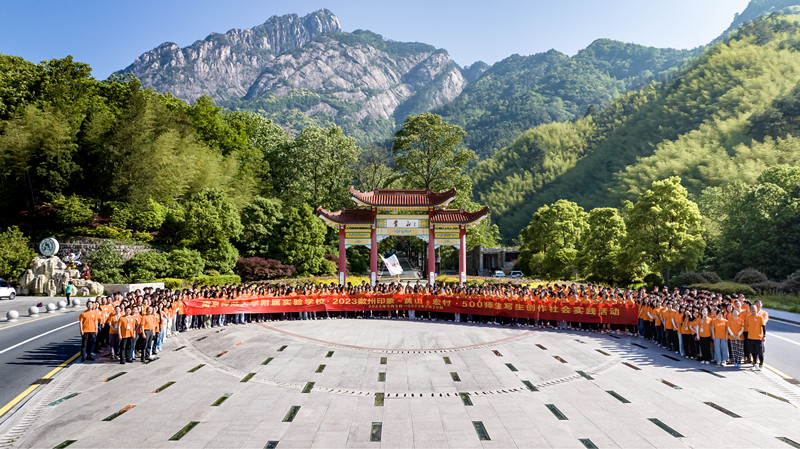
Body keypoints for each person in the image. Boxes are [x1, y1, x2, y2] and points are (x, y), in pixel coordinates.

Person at [744, 304, 767, 370]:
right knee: (753, 351)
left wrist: (764, 336)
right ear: (750, 310)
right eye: (751, 309)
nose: (753, 310)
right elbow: (748, 326)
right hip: (751, 337)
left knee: (760, 352)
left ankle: (761, 364)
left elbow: (763, 327)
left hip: (758, 337)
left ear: (756, 309)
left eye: (754, 309)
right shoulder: (748, 317)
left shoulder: (760, 317)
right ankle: (754, 363)